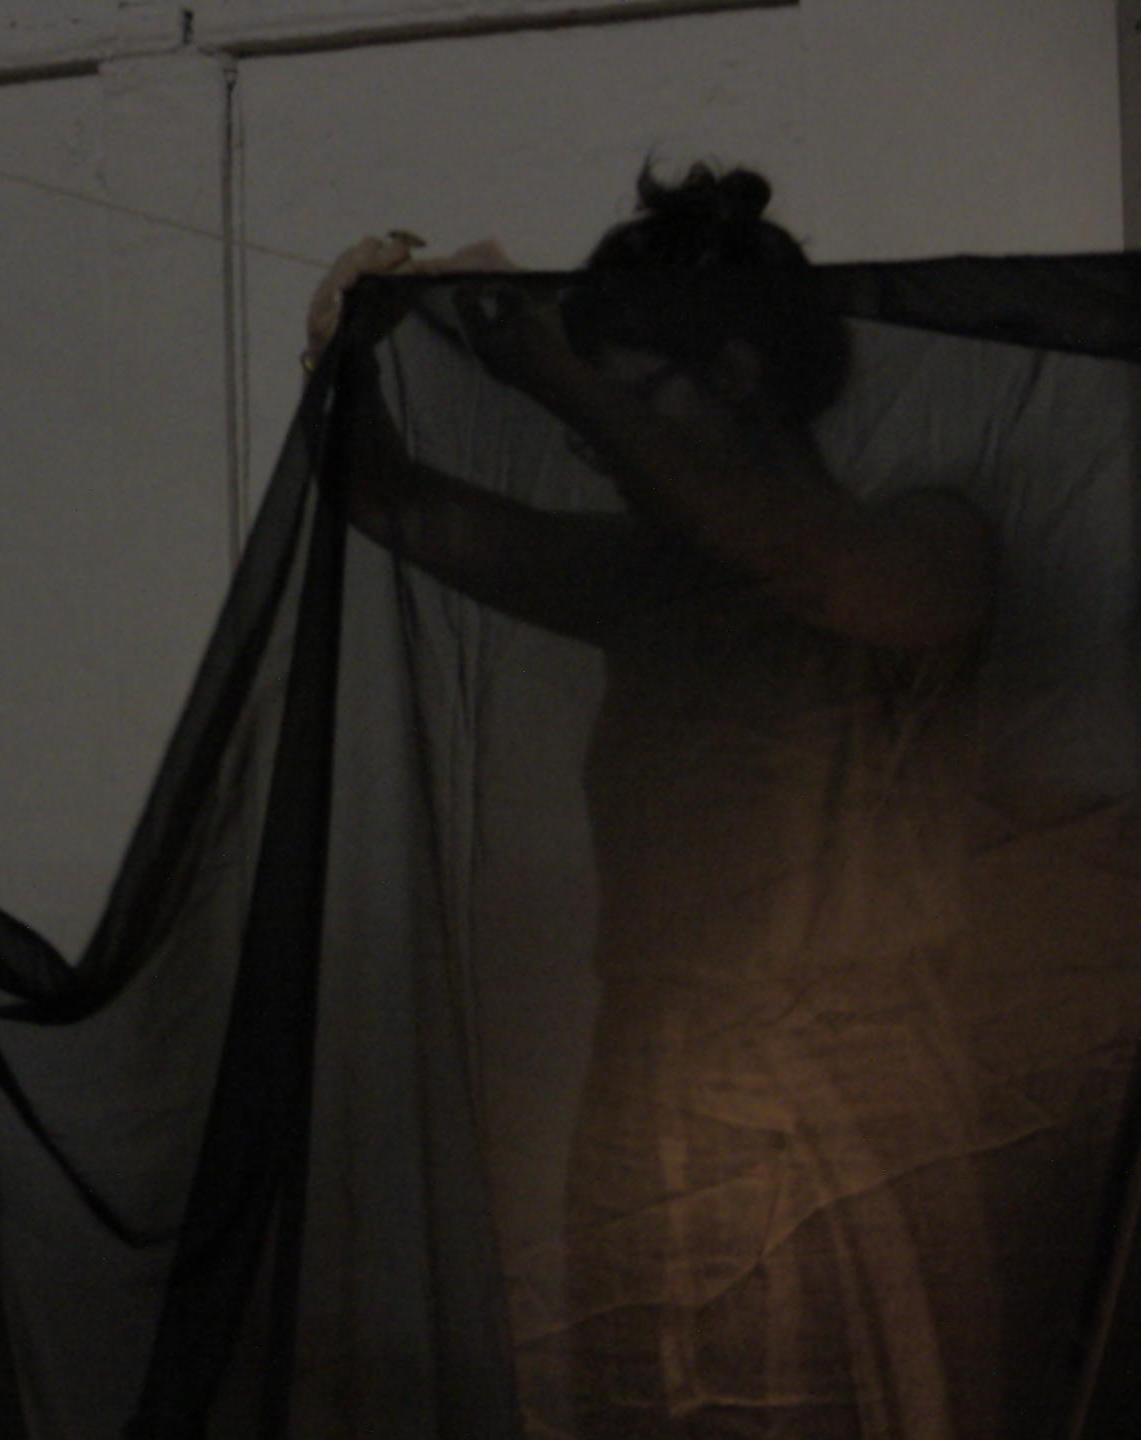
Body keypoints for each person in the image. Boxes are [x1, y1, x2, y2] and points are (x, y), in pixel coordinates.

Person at [310, 165, 1026, 1437]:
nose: (601, 451)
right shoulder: (652, 581)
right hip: (656, 1100)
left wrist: (556, 371)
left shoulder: (930, 546)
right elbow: (390, 500)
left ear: (739, 377)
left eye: (632, 402)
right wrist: (343, 353)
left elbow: (814, 569)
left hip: (853, 1114)